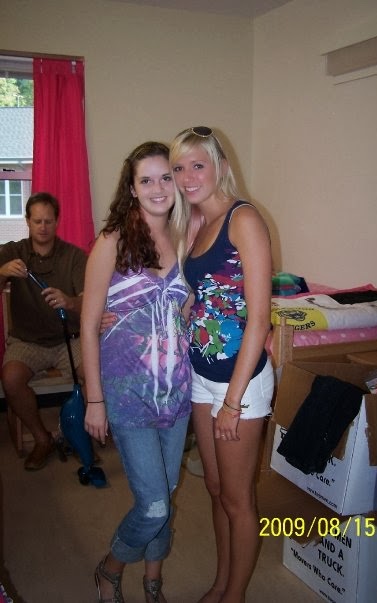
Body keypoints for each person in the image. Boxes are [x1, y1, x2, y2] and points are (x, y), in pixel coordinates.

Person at [81, 141, 192, 603]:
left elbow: (187, 310)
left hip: (177, 392)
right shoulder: (112, 242)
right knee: (153, 504)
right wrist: (94, 400)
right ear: (131, 187)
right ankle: (109, 569)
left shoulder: (186, 237)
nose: (158, 187)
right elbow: (88, 326)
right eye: (146, 179)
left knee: (167, 492)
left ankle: (153, 580)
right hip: (127, 394)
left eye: (166, 177)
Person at [169, 126, 274, 603]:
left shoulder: (243, 219)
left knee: (238, 499)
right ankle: (220, 582)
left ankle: (235, 596)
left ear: (221, 167)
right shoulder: (197, 222)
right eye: (179, 168)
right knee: (214, 487)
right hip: (200, 375)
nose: (188, 177)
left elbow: (258, 319)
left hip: (240, 384)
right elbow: (207, 292)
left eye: (198, 165)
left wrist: (232, 403)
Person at [0, 192, 87, 471]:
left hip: (68, 338)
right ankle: (43, 439)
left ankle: (79, 435)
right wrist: (3, 271)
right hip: (27, 341)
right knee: (10, 379)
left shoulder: (74, 256)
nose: (43, 227)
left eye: (48, 221)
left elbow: (89, 301)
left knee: (94, 375)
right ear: (27, 221)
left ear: (57, 221)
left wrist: (69, 301)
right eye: (37, 221)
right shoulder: (13, 251)